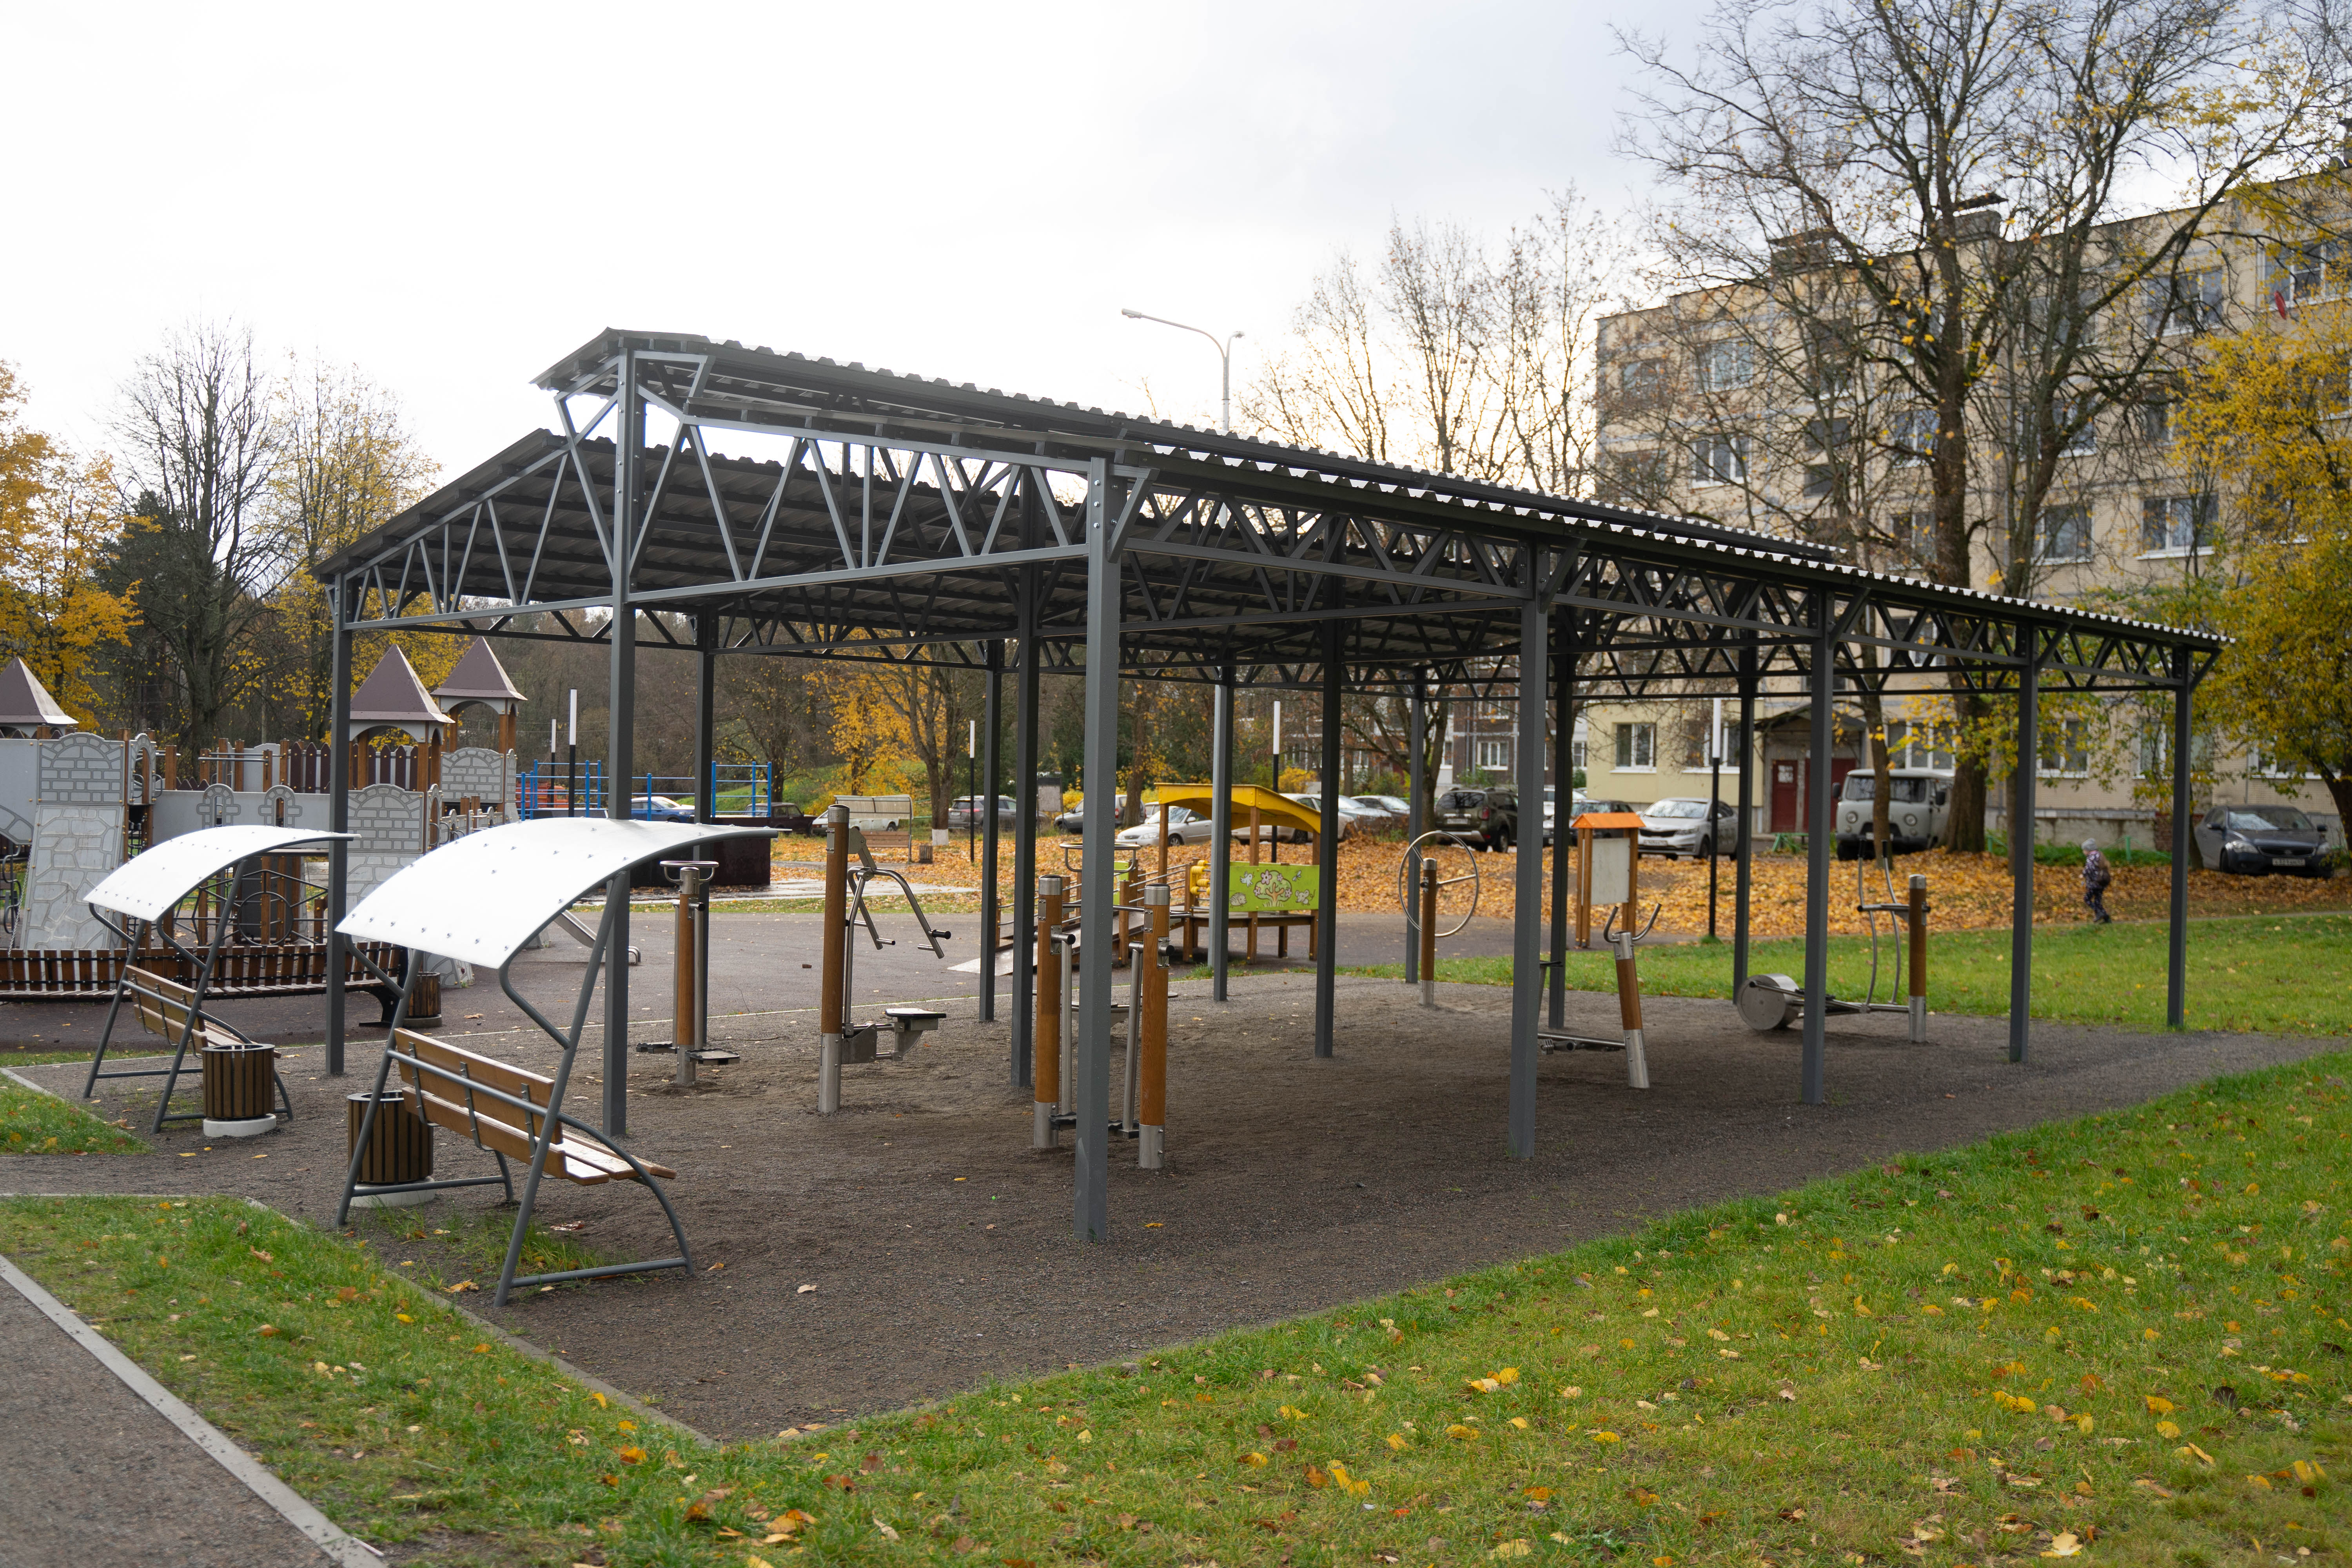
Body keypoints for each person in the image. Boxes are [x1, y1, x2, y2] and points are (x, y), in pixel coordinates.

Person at [2081, 838, 2113, 924]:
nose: (2083, 852)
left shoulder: (2091, 857)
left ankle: (2099, 913)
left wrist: (2083, 874)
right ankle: (2107, 919)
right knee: (2098, 902)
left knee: (2087, 899)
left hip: (2094, 883)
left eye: (2084, 850)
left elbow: (2089, 868)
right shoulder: (2100, 855)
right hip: (2101, 882)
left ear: (2088, 850)